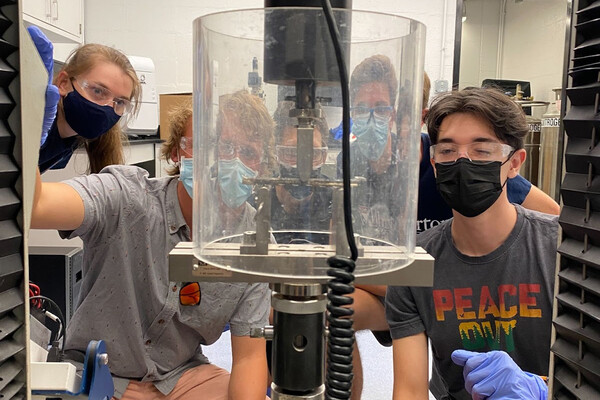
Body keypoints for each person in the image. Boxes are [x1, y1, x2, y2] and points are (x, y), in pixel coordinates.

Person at [30, 92, 273, 400]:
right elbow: (36, 205)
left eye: (248, 151)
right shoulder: (126, 198)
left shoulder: (255, 242)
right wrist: (31, 105)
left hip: (181, 376)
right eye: (217, 146)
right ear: (177, 152)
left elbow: (250, 357)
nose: (230, 162)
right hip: (97, 372)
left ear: (262, 167)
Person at [385, 87, 558, 400]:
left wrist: (544, 392)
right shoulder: (415, 265)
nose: (462, 163)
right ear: (435, 165)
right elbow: (409, 390)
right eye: (448, 151)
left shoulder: (559, 253)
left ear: (515, 162)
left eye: (482, 150)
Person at [28, 26, 142, 174]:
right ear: (63, 83)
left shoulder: (74, 135)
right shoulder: (39, 126)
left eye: (120, 102)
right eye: (98, 91)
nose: (107, 108)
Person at [270, 100, 332, 245]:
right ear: (276, 152)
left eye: (312, 153)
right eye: (292, 152)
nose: (303, 168)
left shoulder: (335, 202)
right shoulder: (260, 204)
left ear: (324, 155)